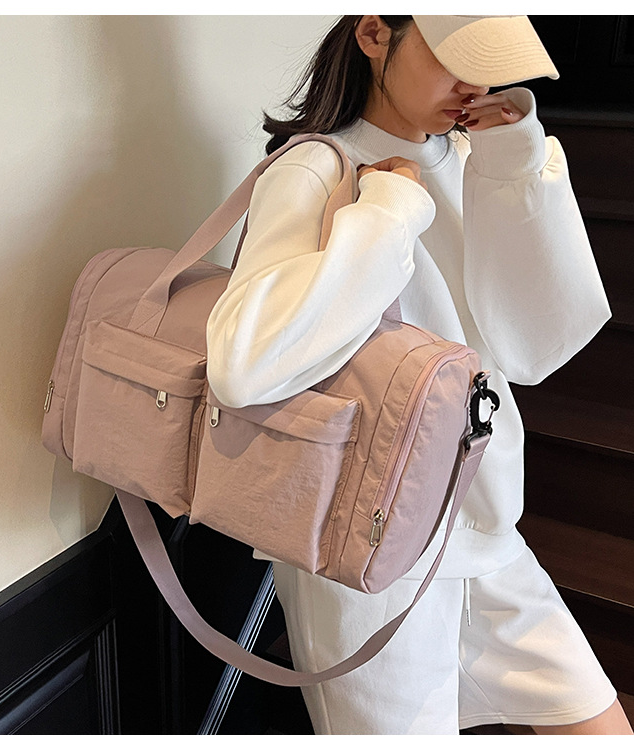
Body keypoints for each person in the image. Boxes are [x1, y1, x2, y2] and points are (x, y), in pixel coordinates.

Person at [205, 15, 633, 735]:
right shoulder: (315, 170)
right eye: (455, 57)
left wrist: (516, 163)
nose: (476, 84)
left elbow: (537, 346)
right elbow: (243, 366)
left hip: (485, 526)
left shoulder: (475, 156)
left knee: (598, 725)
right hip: (369, 548)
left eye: (490, 61)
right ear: (375, 34)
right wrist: (388, 211)